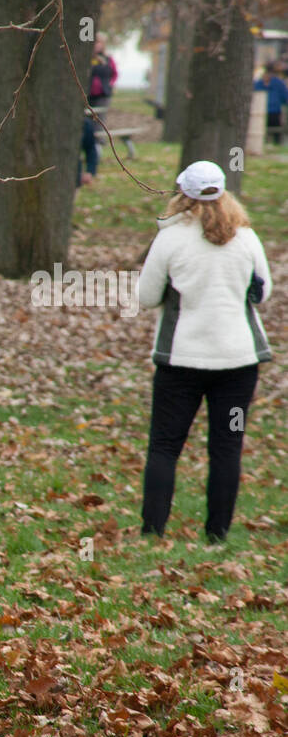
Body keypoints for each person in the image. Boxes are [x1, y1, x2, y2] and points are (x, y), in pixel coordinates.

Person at [137, 161, 272, 544]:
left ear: (183, 195)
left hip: (181, 363)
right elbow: (263, 292)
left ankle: (152, 531)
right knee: (227, 446)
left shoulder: (170, 239)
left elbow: (146, 297)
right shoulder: (246, 238)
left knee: (165, 445)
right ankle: (217, 535)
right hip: (239, 365)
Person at [80, 34, 116, 186]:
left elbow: (114, 74)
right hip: (88, 94)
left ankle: (97, 146)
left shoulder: (108, 59)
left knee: (98, 122)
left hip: (102, 94)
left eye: (100, 42)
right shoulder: (86, 57)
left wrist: (109, 85)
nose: (97, 45)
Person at [254, 63, 287, 146]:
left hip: (274, 112)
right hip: (259, 113)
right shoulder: (258, 84)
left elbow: (285, 97)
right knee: (259, 132)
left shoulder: (278, 83)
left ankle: (277, 144)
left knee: (276, 131)